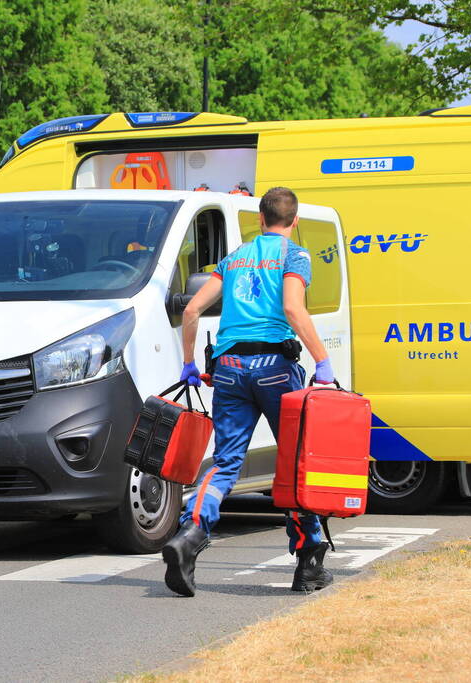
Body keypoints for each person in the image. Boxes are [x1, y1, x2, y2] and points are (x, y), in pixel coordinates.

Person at [162, 186, 335, 597]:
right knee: (294, 463)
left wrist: (189, 363)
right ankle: (309, 558)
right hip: (275, 368)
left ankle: (190, 533)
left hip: (229, 368)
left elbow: (190, 310)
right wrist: (323, 361)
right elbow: (293, 308)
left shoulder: (234, 258)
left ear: (259, 219)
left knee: (225, 463)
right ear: (294, 222)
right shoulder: (294, 255)